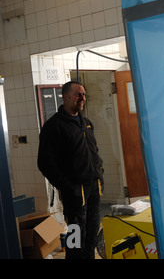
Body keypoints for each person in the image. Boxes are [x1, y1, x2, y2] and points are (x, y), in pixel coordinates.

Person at [38, 81, 104, 259]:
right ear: (65, 96)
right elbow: (44, 163)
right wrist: (66, 186)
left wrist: (100, 173)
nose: (82, 98)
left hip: (93, 188)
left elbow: (94, 152)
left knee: (92, 232)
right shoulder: (54, 127)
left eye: (83, 94)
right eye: (77, 94)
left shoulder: (86, 123)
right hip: (74, 192)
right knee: (75, 235)